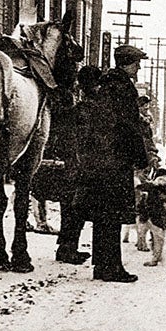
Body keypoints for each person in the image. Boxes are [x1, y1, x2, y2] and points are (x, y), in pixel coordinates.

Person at [74, 45, 148, 283]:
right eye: (136, 62)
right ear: (127, 63)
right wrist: (141, 157)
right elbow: (129, 126)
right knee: (113, 215)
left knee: (103, 215)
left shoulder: (104, 86)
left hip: (100, 159)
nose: (139, 67)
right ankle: (112, 267)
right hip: (116, 159)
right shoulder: (123, 88)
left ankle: (102, 265)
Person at [55, 66, 102, 265]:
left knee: (73, 208)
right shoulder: (87, 110)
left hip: (75, 163)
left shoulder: (80, 109)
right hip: (79, 165)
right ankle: (67, 249)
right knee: (74, 209)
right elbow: (79, 140)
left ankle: (67, 247)